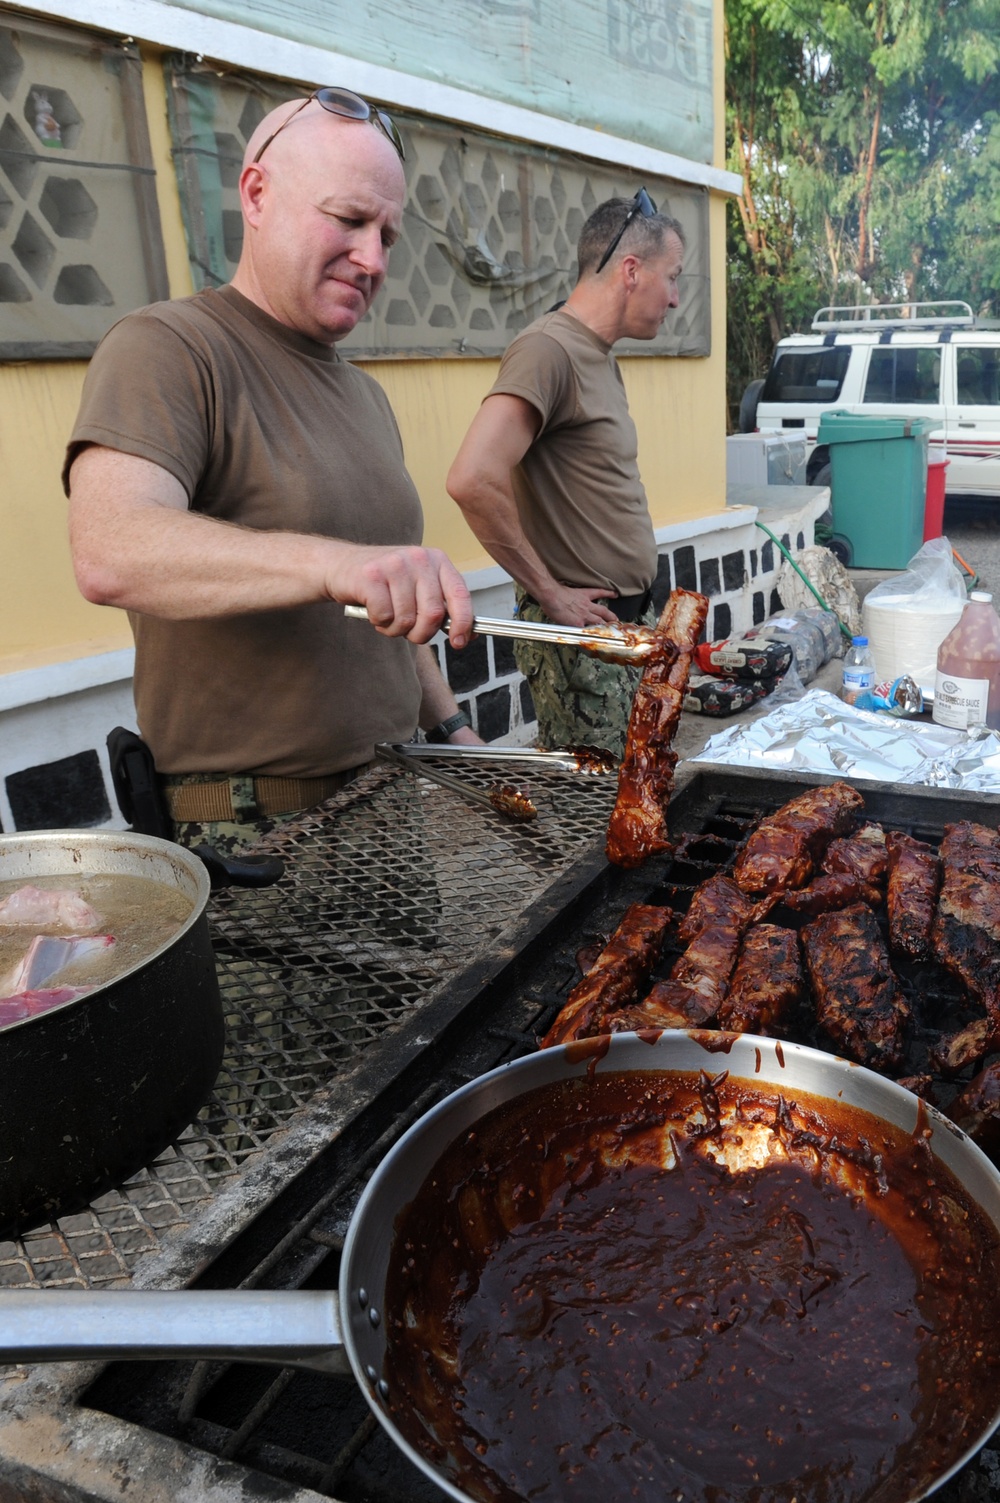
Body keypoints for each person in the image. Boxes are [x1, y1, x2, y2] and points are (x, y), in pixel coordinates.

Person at [64, 89, 480, 851]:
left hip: (393, 801)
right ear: (257, 193)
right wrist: (332, 564)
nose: (374, 259)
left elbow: (386, 601)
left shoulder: (365, 394)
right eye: (350, 219)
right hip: (254, 831)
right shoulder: (169, 347)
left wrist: (452, 727)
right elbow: (109, 548)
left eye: (388, 234)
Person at [447, 190, 685, 758]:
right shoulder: (546, 351)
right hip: (584, 645)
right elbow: (472, 478)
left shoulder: (598, 353)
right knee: (590, 815)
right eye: (672, 277)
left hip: (623, 625)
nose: (675, 299)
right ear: (631, 270)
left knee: (634, 794)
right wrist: (549, 592)